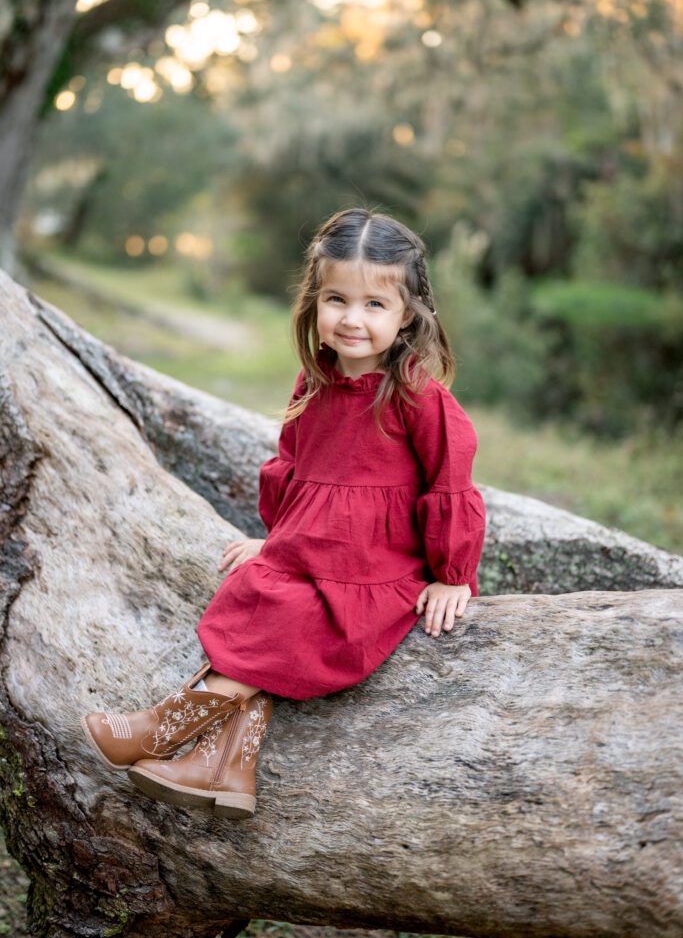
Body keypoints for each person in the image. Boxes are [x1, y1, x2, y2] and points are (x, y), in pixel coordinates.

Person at [81, 207, 487, 820]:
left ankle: (162, 727)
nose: (352, 319)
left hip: (374, 572)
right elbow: (293, 468)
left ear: (408, 315)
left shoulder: (417, 397)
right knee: (254, 590)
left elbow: (451, 487)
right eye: (337, 299)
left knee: (290, 618)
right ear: (314, 300)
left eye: (375, 305)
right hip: (313, 555)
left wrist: (452, 575)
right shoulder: (314, 382)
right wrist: (277, 540)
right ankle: (224, 770)